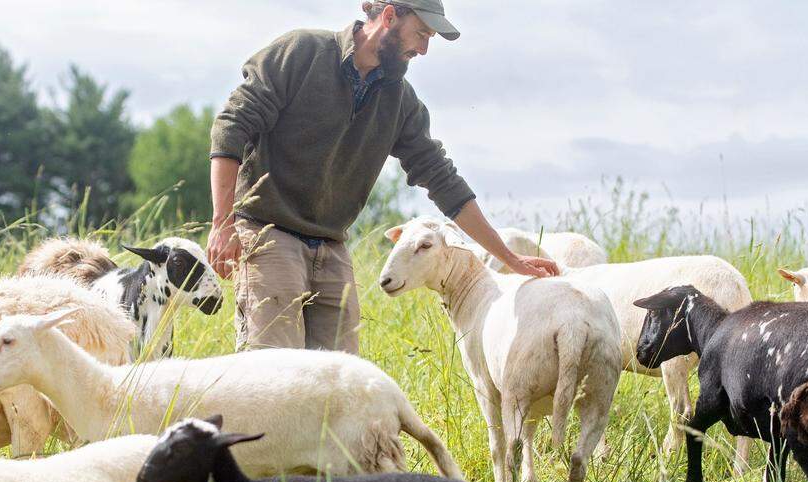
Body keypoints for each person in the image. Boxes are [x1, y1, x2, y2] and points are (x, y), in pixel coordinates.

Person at [207, 1, 559, 354]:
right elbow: (231, 126)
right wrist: (223, 223)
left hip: (331, 247)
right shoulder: (302, 53)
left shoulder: (400, 101)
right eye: (421, 33)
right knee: (272, 372)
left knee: (339, 383)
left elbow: (443, 180)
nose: (423, 49)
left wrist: (510, 259)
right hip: (270, 235)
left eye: (430, 38)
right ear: (389, 16)